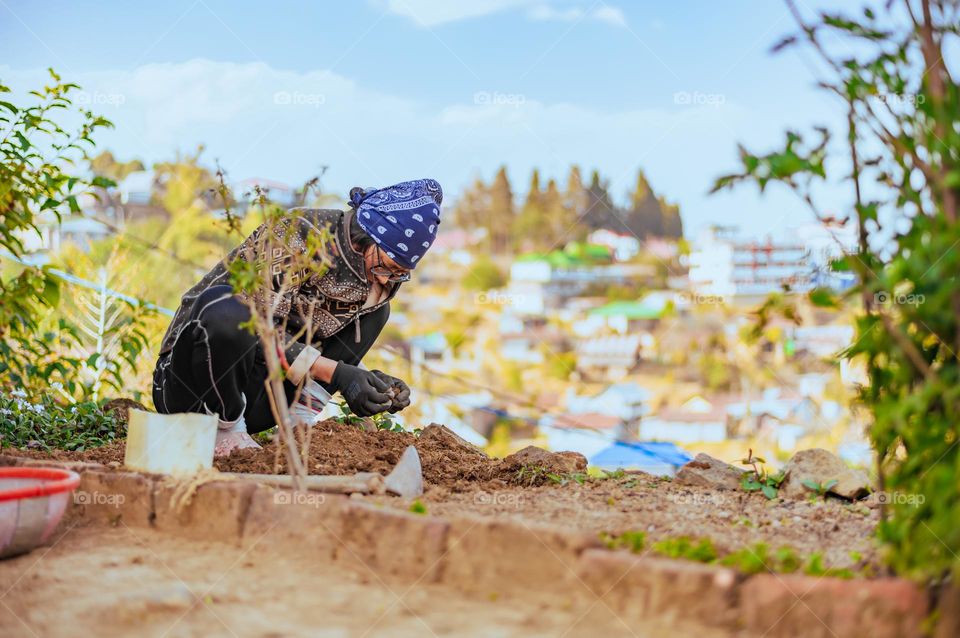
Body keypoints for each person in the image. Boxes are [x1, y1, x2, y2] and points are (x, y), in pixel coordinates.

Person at [151, 178, 443, 456]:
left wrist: (368, 382)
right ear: (367, 236)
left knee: (378, 314)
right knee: (229, 308)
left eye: (400, 275)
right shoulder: (295, 235)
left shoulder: (374, 285)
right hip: (192, 388)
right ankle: (225, 427)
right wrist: (339, 373)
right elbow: (262, 330)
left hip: (259, 399)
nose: (386, 280)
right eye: (388, 266)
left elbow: (313, 340)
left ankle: (298, 421)